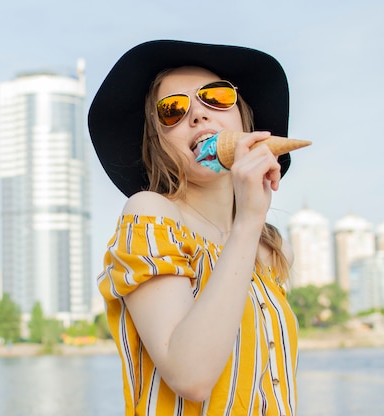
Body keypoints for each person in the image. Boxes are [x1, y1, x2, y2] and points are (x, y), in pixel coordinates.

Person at [88, 40, 299, 416]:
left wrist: (250, 226)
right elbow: (191, 377)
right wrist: (248, 223)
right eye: (173, 110)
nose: (198, 115)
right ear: (158, 143)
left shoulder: (267, 248)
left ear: (244, 120)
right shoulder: (151, 214)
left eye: (216, 97)